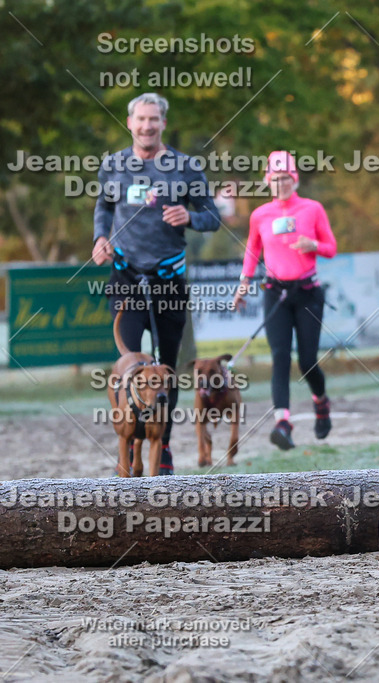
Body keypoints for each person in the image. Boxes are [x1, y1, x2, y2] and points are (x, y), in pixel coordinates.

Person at [93, 92, 221, 475]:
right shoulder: (114, 165)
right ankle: (128, 444)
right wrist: (100, 238)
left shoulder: (184, 167)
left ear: (163, 123)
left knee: (166, 366)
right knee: (129, 363)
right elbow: (104, 207)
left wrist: (191, 217)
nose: (147, 126)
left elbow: (212, 216)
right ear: (130, 123)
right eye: (140, 119)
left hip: (168, 277)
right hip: (126, 275)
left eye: (154, 119)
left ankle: (161, 444)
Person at [232, 151, 337, 450]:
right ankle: (283, 422)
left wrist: (312, 244)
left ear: (295, 179)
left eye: (286, 178)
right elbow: (252, 252)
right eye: (275, 179)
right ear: (268, 181)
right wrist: (243, 285)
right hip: (274, 292)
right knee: (279, 355)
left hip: (307, 292)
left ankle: (321, 402)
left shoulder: (312, 208)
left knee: (306, 361)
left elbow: (331, 247)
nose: (281, 184)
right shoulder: (259, 215)